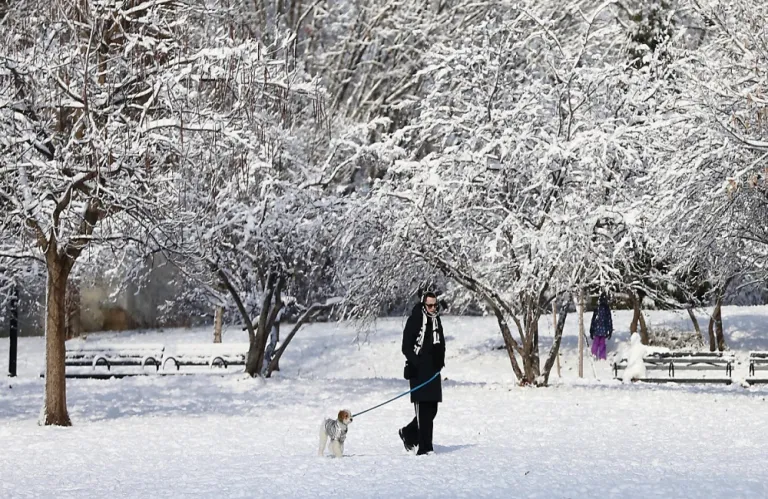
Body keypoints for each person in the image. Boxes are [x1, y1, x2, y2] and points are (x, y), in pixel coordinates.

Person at [398, 292, 445, 455]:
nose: (433, 308)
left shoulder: (436, 320)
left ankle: (408, 433)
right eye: (429, 305)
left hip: (433, 372)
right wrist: (417, 363)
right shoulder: (415, 319)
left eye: (435, 305)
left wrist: (440, 362)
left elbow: (441, 342)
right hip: (418, 372)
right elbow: (406, 346)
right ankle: (425, 448)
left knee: (432, 410)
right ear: (424, 305)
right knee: (423, 410)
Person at [589, 293, 613, 360]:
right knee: (602, 343)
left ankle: (594, 353)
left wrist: (591, 330)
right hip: (604, 329)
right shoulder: (607, 309)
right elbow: (609, 320)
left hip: (597, 328)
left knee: (596, 342)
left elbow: (593, 319)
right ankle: (602, 356)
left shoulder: (597, 308)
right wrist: (610, 330)